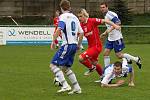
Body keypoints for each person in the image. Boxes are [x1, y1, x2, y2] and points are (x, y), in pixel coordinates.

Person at [50, 0, 84, 94]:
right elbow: (81, 33)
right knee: (65, 68)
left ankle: (65, 85)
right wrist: (78, 45)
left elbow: (59, 29)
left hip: (67, 45)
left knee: (53, 65)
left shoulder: (63, 16)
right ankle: (77, 88)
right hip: (73, 45)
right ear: (69, 7)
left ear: (61, 8)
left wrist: (53, 41)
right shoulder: (75, 17)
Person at [77, 9, 120, 77]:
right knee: (94, 62)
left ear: (85, 16)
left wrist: (115, 25)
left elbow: (105, 20)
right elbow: (79, 35)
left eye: (81, 16)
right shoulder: (80, 25)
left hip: (96, 47)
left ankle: (91, 68)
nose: (79, 18)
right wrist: (78, 45)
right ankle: (103, 77)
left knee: (81, 58)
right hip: (91, 47)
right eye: (78, 17)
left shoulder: (92, 21)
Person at [99, 2, 142, 69]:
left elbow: (118, 22)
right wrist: (105, 33)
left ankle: (136, 59)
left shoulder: (110, 14)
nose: (102, 9)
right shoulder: (106, 15)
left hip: (117, 37)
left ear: (107, 7)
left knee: (119, 55)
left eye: (103, 7)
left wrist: (108, 31)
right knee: (105, 54)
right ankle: (107, 71)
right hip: (110, 38)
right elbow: (110, 26)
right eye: (101, 7)